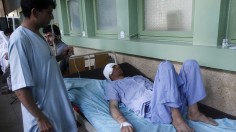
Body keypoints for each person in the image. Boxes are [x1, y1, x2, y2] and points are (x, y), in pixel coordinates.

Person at [8, 0, 77, 132]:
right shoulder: (20, 40)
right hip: (43, 115)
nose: (51, 17)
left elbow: (42, 65)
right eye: (49, 12)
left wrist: (60, 57)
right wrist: (40, 118)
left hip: (55, 107)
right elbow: (20, 87)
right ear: (34, 12)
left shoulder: (38, 35)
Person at [103, 60, 218, 132]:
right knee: (165, 65)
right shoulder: (112, 86)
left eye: (117, 65)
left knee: (191, 64)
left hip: (171, 99)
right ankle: (176, 117)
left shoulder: (137, 77)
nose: (117, 67)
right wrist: (124, 122)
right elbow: (113, 106)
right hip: (155, 109)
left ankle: (194, 112)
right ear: (109, 75)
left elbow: (163, 86)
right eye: (114, 67)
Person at [0, 28, 13, 94]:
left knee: (8, 72)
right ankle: (9, 86)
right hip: (2, 55)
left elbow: (8, 42)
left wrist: (8, 52)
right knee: (4, 71)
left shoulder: (1, 33)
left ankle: (11, 88)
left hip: (5, 54)